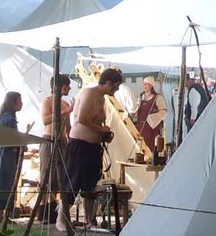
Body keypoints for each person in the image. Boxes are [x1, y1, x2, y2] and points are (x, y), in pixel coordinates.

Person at [57, 67, 123, 233]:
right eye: (115, 85)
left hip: (93, 148)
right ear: (108, 83)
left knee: (90, 185)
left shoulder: (101, 98)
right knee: (72, 182)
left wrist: (103, 133)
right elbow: (81, 118)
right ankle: (61, 219)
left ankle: (88, 220)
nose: (117, 89)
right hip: (79, 146)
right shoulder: (88, 93)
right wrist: (101, 130)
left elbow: (96, 121)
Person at [0, 91, 24, 221]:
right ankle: (0, 215)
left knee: (3, 183)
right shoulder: (9, 119)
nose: (21, 104)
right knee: (2, 183)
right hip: (4, 155)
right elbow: (12, 139)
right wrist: (21, 145)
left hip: (3, 154)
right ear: (13, 103)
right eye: (19, 101)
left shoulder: (6, 118)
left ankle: (2, 215)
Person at [38, 74, 72, 224]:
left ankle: (55, 211)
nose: (69, 89)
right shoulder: (48, 101)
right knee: (47, 174)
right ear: (58, 87)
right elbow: (45, 120)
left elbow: (69, 127)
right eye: (66, 86)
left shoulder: (65, 103)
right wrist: (66, 111)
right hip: (49, 139)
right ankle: (43, 211)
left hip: (62, 140)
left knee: (61, 176)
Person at [134, 76, 167, 152]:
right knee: (140, 148)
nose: (144, 85)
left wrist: (152, 118)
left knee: (150, 147)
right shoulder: (141, 97)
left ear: (151, 85)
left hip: (151, 128)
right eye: (144, 84)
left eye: (146, 84)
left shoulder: (157, 97)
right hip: (140, 127)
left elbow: (164, 112)